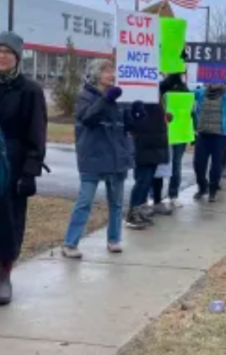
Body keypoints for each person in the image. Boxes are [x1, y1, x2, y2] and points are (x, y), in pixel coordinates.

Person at [0, 32, 48, 306]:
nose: (2, 56)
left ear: (17, 57)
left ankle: (4, 274)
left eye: (8, 52)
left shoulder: (29, 90)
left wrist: (30, 171)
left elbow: (37, 133)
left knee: (7, 220)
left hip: (13, 161)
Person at [62, 59, 135, 257]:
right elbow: (87, 118)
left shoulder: (120, 96)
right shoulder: (86, 96)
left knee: (117, 203)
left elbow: (126, 126)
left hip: (117, 157)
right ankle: (70, 243)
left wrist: (137, 115)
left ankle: (114, 240)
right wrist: (106, 99)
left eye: (113, 71)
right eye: (106, 71)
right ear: (96, 75)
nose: (112, 75)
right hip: (93, 157)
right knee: (84, 202)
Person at [127, 92, 168, 231]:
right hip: (143, 145)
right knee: (142, 181)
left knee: (147, 181)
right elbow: (134, 121)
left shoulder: (158, 99)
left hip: (155, 145)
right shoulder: (138, 98)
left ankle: (140, 212)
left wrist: (165, 118)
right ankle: (132, 214)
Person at [193, 83, 226, 202]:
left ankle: (212, 191)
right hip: (203, 133)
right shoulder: (201, 92)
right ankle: (202, 187)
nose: (214, 82)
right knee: (198, 164)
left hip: (219, 135)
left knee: (216, 165)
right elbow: (187, 95)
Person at [160, 74, 190, 207]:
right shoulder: (162, 88)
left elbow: (190, 110)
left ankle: (171, 195)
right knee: (164, 164)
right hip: (167, 131)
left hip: (177, 132)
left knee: (173, 165)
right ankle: (162, 195)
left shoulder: (184, 89)